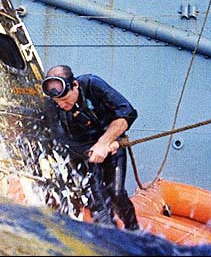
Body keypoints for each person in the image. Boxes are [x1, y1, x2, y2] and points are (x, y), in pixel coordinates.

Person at [42, 64, 140, 231]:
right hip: (83, 155)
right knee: (98, 204)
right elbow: (60, 140)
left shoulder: (92, 84)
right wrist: (88, 154)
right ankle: (111, 241)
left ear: (75, 85)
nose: (62, 106)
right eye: (58, 102)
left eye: (65, 100)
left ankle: (134, 230)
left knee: (116, 194)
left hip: (109, 143)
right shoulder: (53, 106)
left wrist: (104, 143)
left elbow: (127, 112)